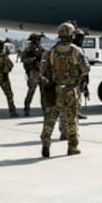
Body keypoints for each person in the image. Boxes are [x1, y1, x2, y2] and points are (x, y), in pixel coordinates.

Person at [38, 22, 90, 158]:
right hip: (71, 90)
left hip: (55, 89)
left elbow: (43, 70)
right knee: (72, 119)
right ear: (72, 34)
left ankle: (46, 142)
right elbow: (86, 69)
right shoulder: (76, 50)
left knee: (50, 117)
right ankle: (72, 146)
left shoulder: (51, 51)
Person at [20, 32, 44, 116]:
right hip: (33, 72)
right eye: (38, 39)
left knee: (43, 92)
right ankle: (27, 107)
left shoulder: (41, 49)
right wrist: (33, 60)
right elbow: (24, 60)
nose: (40, 41)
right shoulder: (28, 50)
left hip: (41, 72)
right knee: (31, 91)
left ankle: (45, 109)